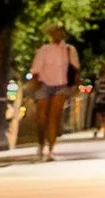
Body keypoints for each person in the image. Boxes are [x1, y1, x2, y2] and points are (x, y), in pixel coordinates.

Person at [28, 26, 83, 162]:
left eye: (60, 32)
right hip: (44, 84)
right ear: (51, 35)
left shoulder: (69, 49)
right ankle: (41, 144)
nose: (57, 35)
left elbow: (75, 69)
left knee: (54, 117)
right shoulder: (44, 50)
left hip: (61, 85)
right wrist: (34, 85)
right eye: (55, 32)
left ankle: (50, 150)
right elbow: (36, 69)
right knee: (41, 118)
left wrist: (76, 85)